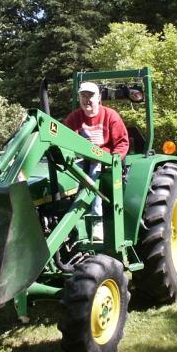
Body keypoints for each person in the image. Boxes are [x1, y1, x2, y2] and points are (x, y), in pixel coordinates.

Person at [64, 82, 129, 241]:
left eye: (90, 96)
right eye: (83, 96)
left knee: (93, 174)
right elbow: (64, 139)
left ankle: (96, 221)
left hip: (103, 159)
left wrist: (114, 159)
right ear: (79, 97)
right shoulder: (75, 117)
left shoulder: (110, 115)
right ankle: (64, 217)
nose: (87, 100)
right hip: (81, 159)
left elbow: (122, 142)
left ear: (99, 97)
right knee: (64, 173)